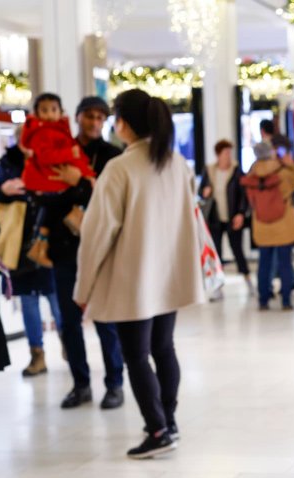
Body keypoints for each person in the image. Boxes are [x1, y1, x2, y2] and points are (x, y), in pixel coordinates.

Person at [74, 89, 204, 459]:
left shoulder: (119, 168)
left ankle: (158, 429)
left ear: (125, 124)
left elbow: (97, 233)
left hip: (133, 277)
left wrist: (83, 286)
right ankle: (169, 422)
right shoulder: (176, 163)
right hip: (170, 274)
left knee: (136, 354)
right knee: (164, 348)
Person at [37, 95, 126, 410]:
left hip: (102, 248)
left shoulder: (113, 156)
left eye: (100, 117)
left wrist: (79, 184)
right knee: (69, 321)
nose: (94, 122)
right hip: (65, 248)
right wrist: (81, 187)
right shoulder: (59, 151)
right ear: (77, 118)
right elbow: (47, 197)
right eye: (89, 116)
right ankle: (81, 384)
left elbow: (113, 200)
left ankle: (115, 383)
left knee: (105, 318)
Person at [0, 128, 64, 377]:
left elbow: (62, 193)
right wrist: (3, 190)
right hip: (18, 244)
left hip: (48, 240)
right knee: (28, 302)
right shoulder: (6, 163)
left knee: (57, 299)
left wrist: (33, 187)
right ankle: (37, 354)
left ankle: (69, 344)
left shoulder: (52, 160)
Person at [19, 93, 96, 268]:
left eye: (53, 110)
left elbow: (73, 156)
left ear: (61, 111)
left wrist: (85, 174)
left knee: (52, 211)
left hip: (56, 182)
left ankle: (41, 246)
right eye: (44, 110)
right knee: (54, 208)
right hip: (49, 182)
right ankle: (41, 246)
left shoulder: (58, 130)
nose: (49, 114)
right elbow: (47, 156)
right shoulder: (42, 132)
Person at [241, 142, 294, 311]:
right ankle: (286, 301)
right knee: (285, 263)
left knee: (264, 263)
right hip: (283, 224)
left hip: (262, 225)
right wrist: (288, 163)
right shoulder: (282, 172)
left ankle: (263, 300)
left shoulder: (252, 176)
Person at [199, 139, 254, 298]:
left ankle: (248, 280)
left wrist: (241, 213)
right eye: (225, 153)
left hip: (232, 217)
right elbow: (201, 191)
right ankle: (217, 286)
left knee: (237, 250)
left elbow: (244, 195)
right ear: (218, 154)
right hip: (215, 218)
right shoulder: (209, 171)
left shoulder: (237, 171)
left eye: (230, 153)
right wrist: (205, 192)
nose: (228, 156)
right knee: (216, 252)